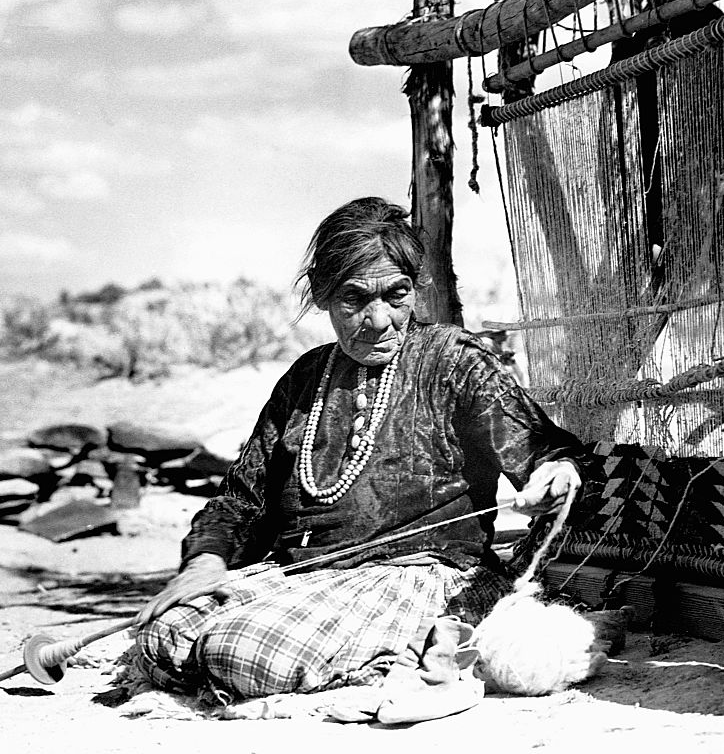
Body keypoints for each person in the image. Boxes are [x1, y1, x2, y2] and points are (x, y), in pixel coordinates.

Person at [133, 197, 583, 719]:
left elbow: (544, 447)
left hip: (421, 575)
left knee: (240, 651)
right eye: (354, 298)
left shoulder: (454, 361)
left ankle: (391, 668)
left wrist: (553, 471)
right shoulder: (305, 377)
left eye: (397, 295)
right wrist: (207, 560)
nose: (379, 319)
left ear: (415, 289)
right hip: (303, 573)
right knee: (163, 633)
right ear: (322, 294)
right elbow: (242, 497)